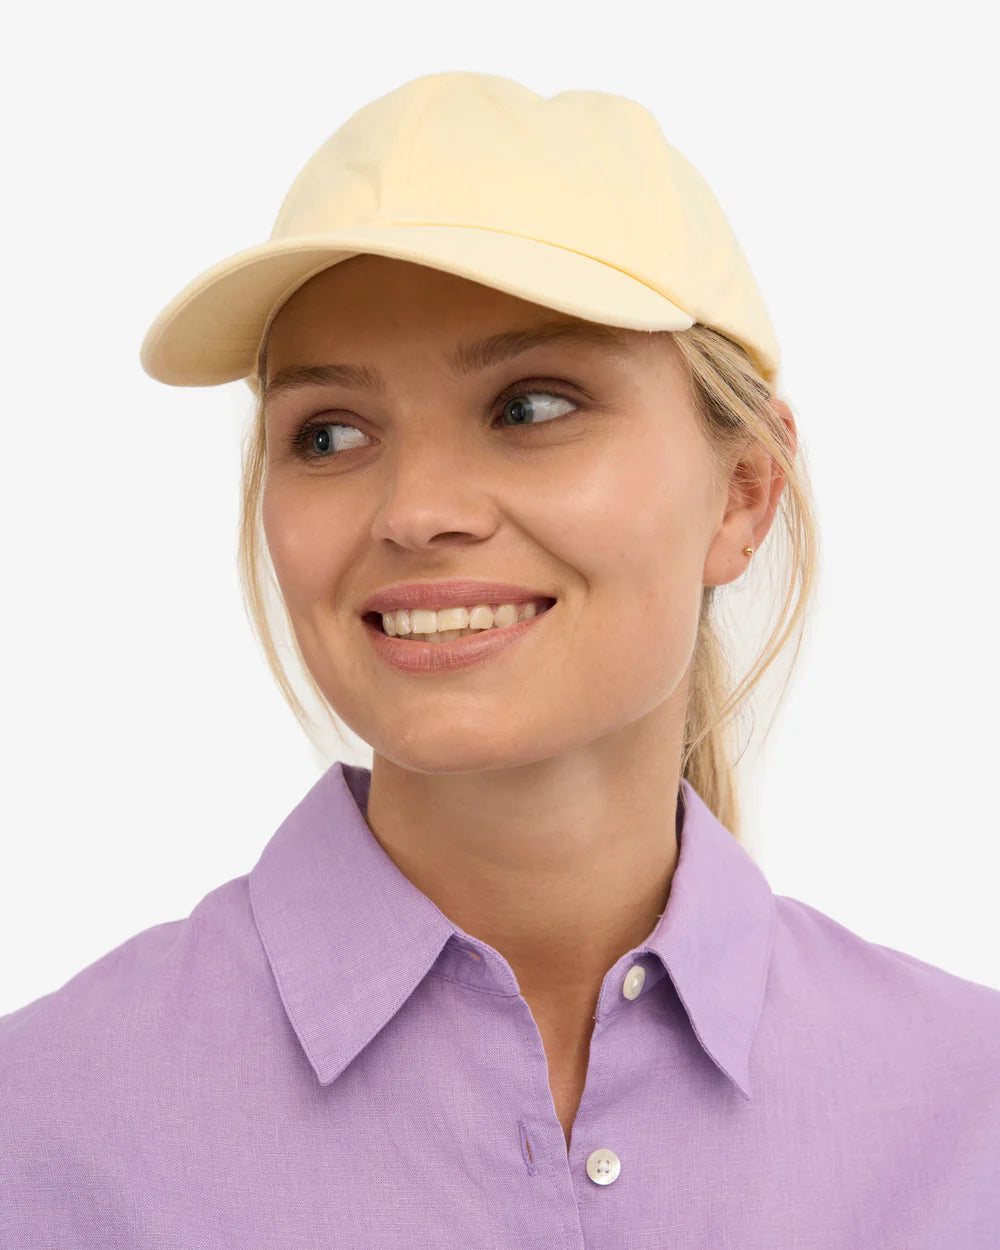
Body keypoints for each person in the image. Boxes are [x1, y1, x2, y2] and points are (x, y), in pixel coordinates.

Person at [2, 70, 998, 1247]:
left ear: (741, 494)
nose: (416, 509)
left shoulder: (967, 1113)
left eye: (531, 406)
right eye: (329, 431)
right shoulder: (46, 1124)